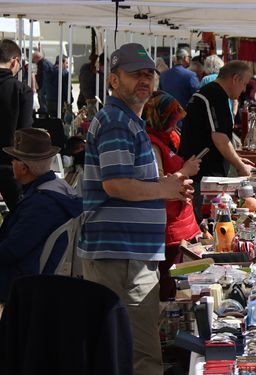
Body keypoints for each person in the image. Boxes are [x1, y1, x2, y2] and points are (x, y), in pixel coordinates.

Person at [78, 43, 193, 375]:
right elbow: (116, 184)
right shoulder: (116, 120)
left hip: (127, 253)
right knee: (134, 353)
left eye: (148, 75)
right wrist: (164, 188)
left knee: (125, 350)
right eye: (134, 75)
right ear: (114, 80)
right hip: (120, 255)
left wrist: (165, 184)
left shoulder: (127, 120)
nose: (144, 81)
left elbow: (124, 181)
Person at [0, 128, 82, 302]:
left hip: (25, 279)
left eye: (13, 159)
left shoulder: (41, 204)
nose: (11, 163)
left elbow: (11, 250)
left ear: (23, 167)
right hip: (36, 272)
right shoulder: (56, 187)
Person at [142, 91, 202, 301]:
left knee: (175, 282)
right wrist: (185, 171)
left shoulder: (166, 138)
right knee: (168, 287)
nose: (176, 124)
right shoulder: (151, 145)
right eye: (172, 119)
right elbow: (157, 185)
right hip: (169, 228)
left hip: (179, 226)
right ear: (161, 118)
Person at [179, 60, 255, 222]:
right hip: (202, 177)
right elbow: (219, 137)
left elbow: (217, 138)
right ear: (235, 78)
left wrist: (236, 158)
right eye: (244, 84)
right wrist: (240, 167)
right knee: (205, 224)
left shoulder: (213, 93)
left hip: (203, 175)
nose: (243, 90)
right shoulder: (215, 95)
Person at [0, 39, 33, 212]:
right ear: (15, 61)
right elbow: (25, 132)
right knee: (21, 216)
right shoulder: (22, 90)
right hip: (10, 167)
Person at [31, 48, 53, 113]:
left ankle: (44, 115)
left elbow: (44, 78)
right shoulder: (44, 63)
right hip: (45, 87)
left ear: (36, 58)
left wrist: (41, 89)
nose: (33, 61)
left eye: (33, 59)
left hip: (44, 88)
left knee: (43, 103)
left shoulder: (43, 64)